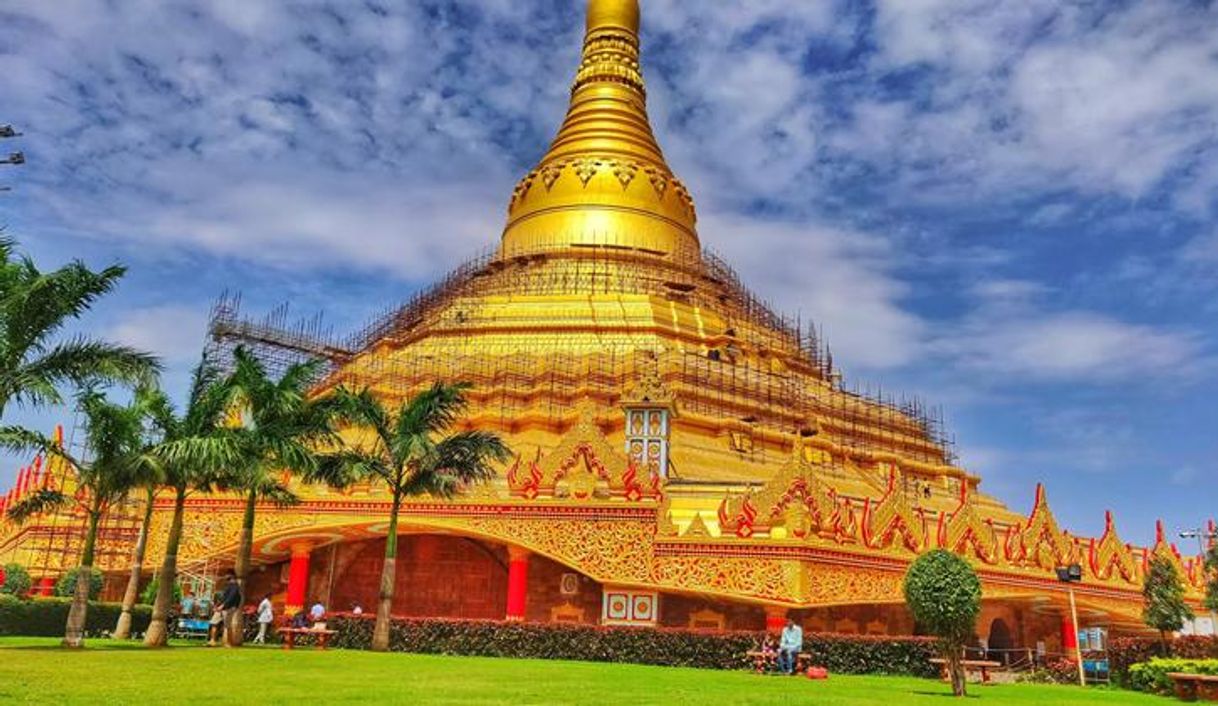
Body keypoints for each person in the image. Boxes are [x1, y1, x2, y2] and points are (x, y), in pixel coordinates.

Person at [217, 570, 242, 647]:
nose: (225, 577)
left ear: (231, 576)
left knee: (228, 626)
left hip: (229, 607)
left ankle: (229, 643)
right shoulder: (230, 585)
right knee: (226, 625)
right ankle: (228, 642)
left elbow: (231, 597)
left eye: (226, 575)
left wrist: (223, 605)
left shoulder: (234, 586)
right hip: (226, 607)